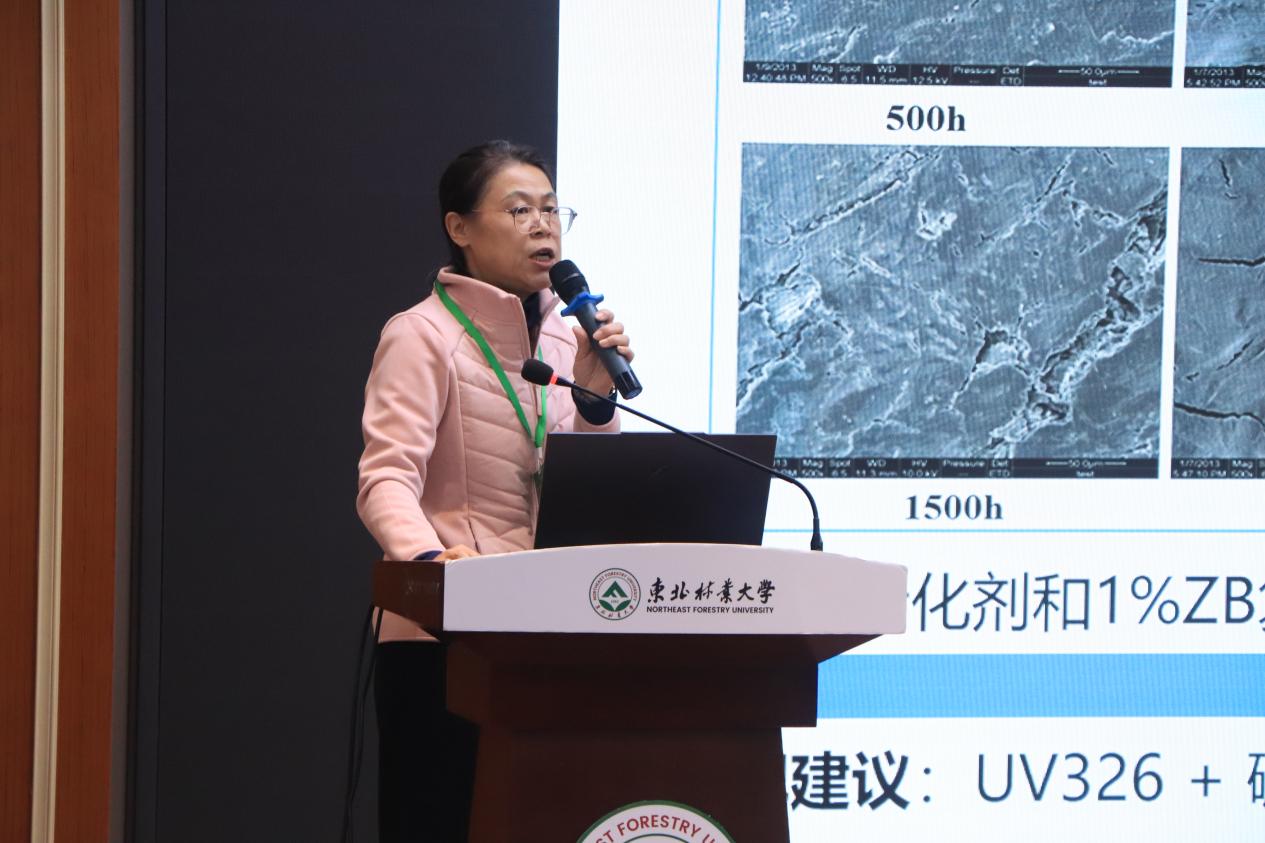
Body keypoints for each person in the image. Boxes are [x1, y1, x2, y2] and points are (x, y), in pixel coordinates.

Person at [356, 140, 633, 842]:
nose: (543, 225)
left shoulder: (566, 342)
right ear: (460, 227)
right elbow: (385, 477)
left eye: (552, 209)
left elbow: (580, 489)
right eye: (519, 210)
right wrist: (428, 565)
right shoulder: (422, 335)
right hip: (445, 638)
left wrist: (595, 403)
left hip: (546, 629)